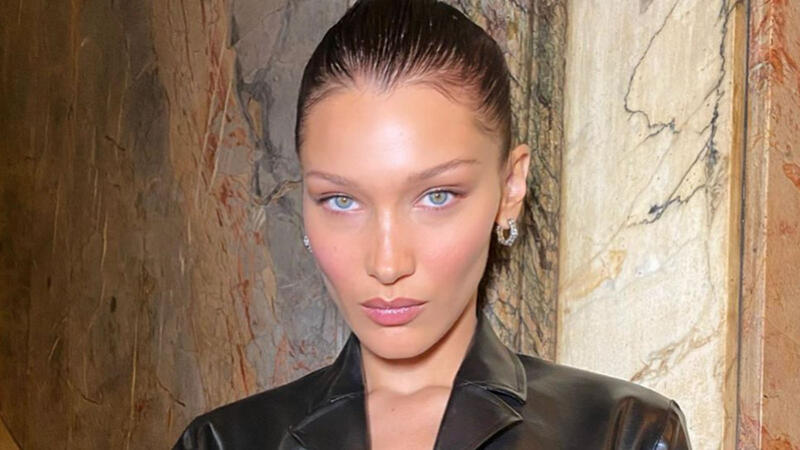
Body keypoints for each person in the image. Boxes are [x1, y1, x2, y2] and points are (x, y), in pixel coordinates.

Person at [173, 0, 692, 448]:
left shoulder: (620, 431)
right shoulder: (223, 441)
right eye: (341, 200)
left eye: (436, 196)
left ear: (510, 188)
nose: (387, 263)